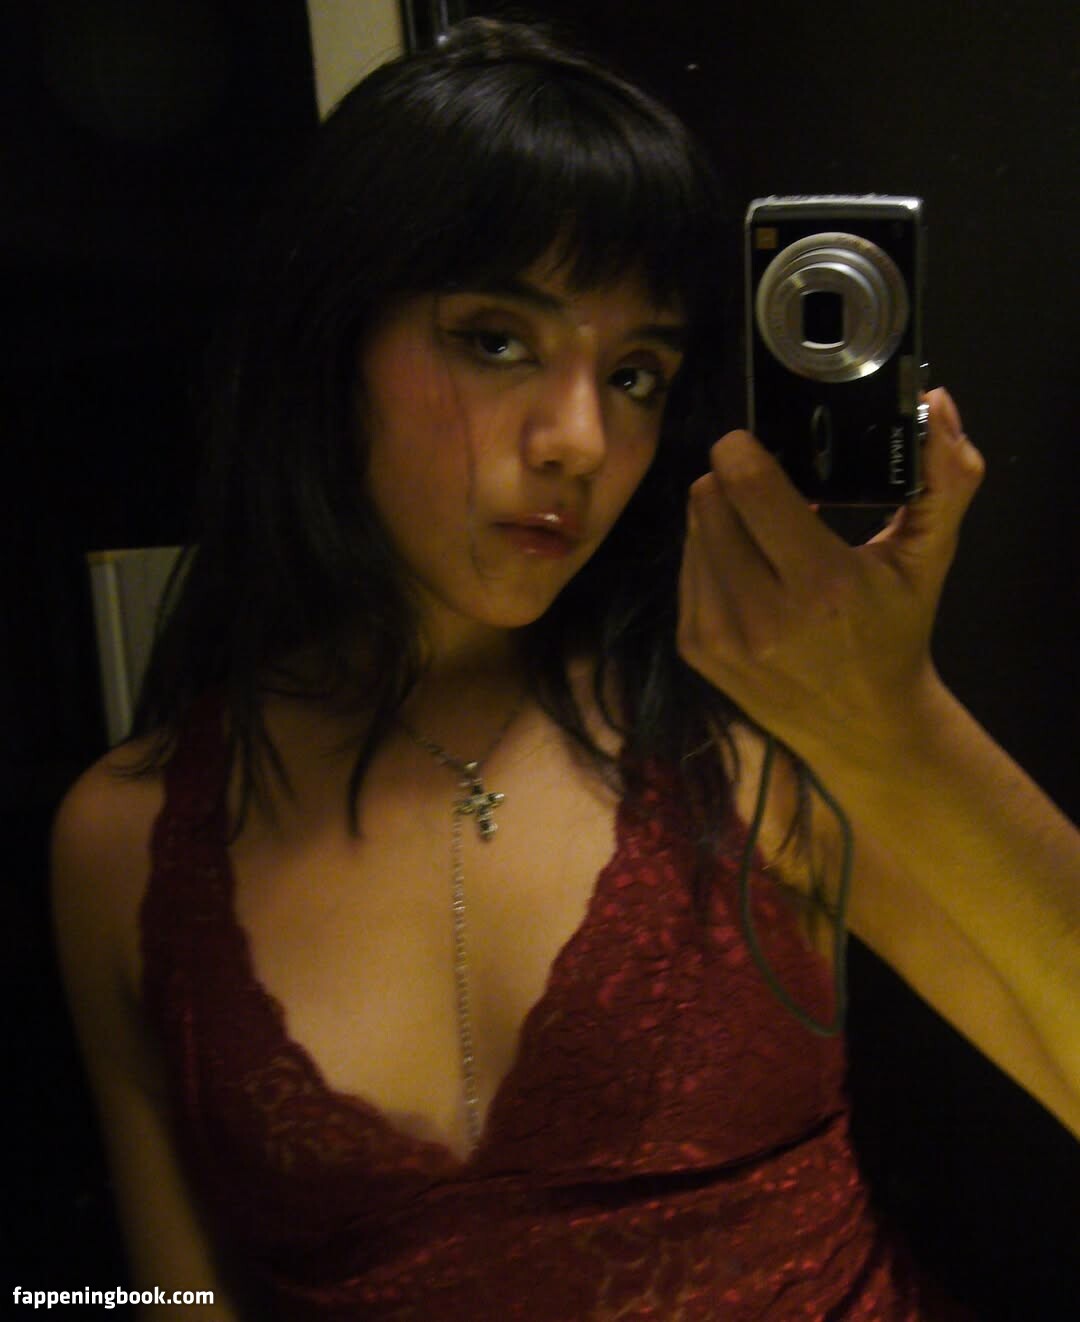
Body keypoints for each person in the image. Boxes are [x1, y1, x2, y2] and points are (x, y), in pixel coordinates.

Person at [51, 18, 1078, 1321]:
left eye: (637, 372)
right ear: (329, 341)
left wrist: (897, 724)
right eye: (497, 340)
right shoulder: (128, 846)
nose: (582, 438)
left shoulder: (742, 726)